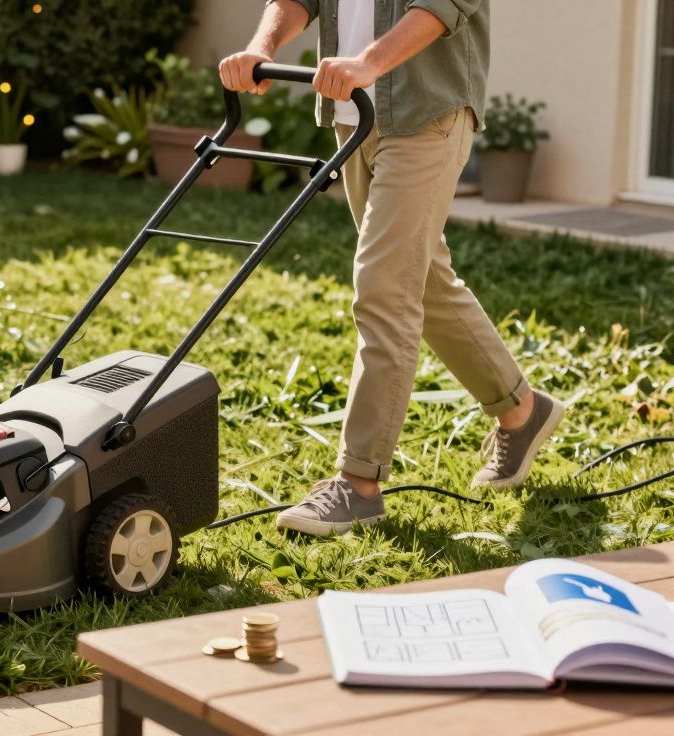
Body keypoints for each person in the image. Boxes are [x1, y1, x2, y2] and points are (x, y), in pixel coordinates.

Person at [219, 0, 564, 537]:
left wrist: (369, 62)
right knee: (420, 280)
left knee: (384, 289)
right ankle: (522, 411)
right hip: (356, 115)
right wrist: (261, 47)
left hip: (428, 113)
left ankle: (358, 484)